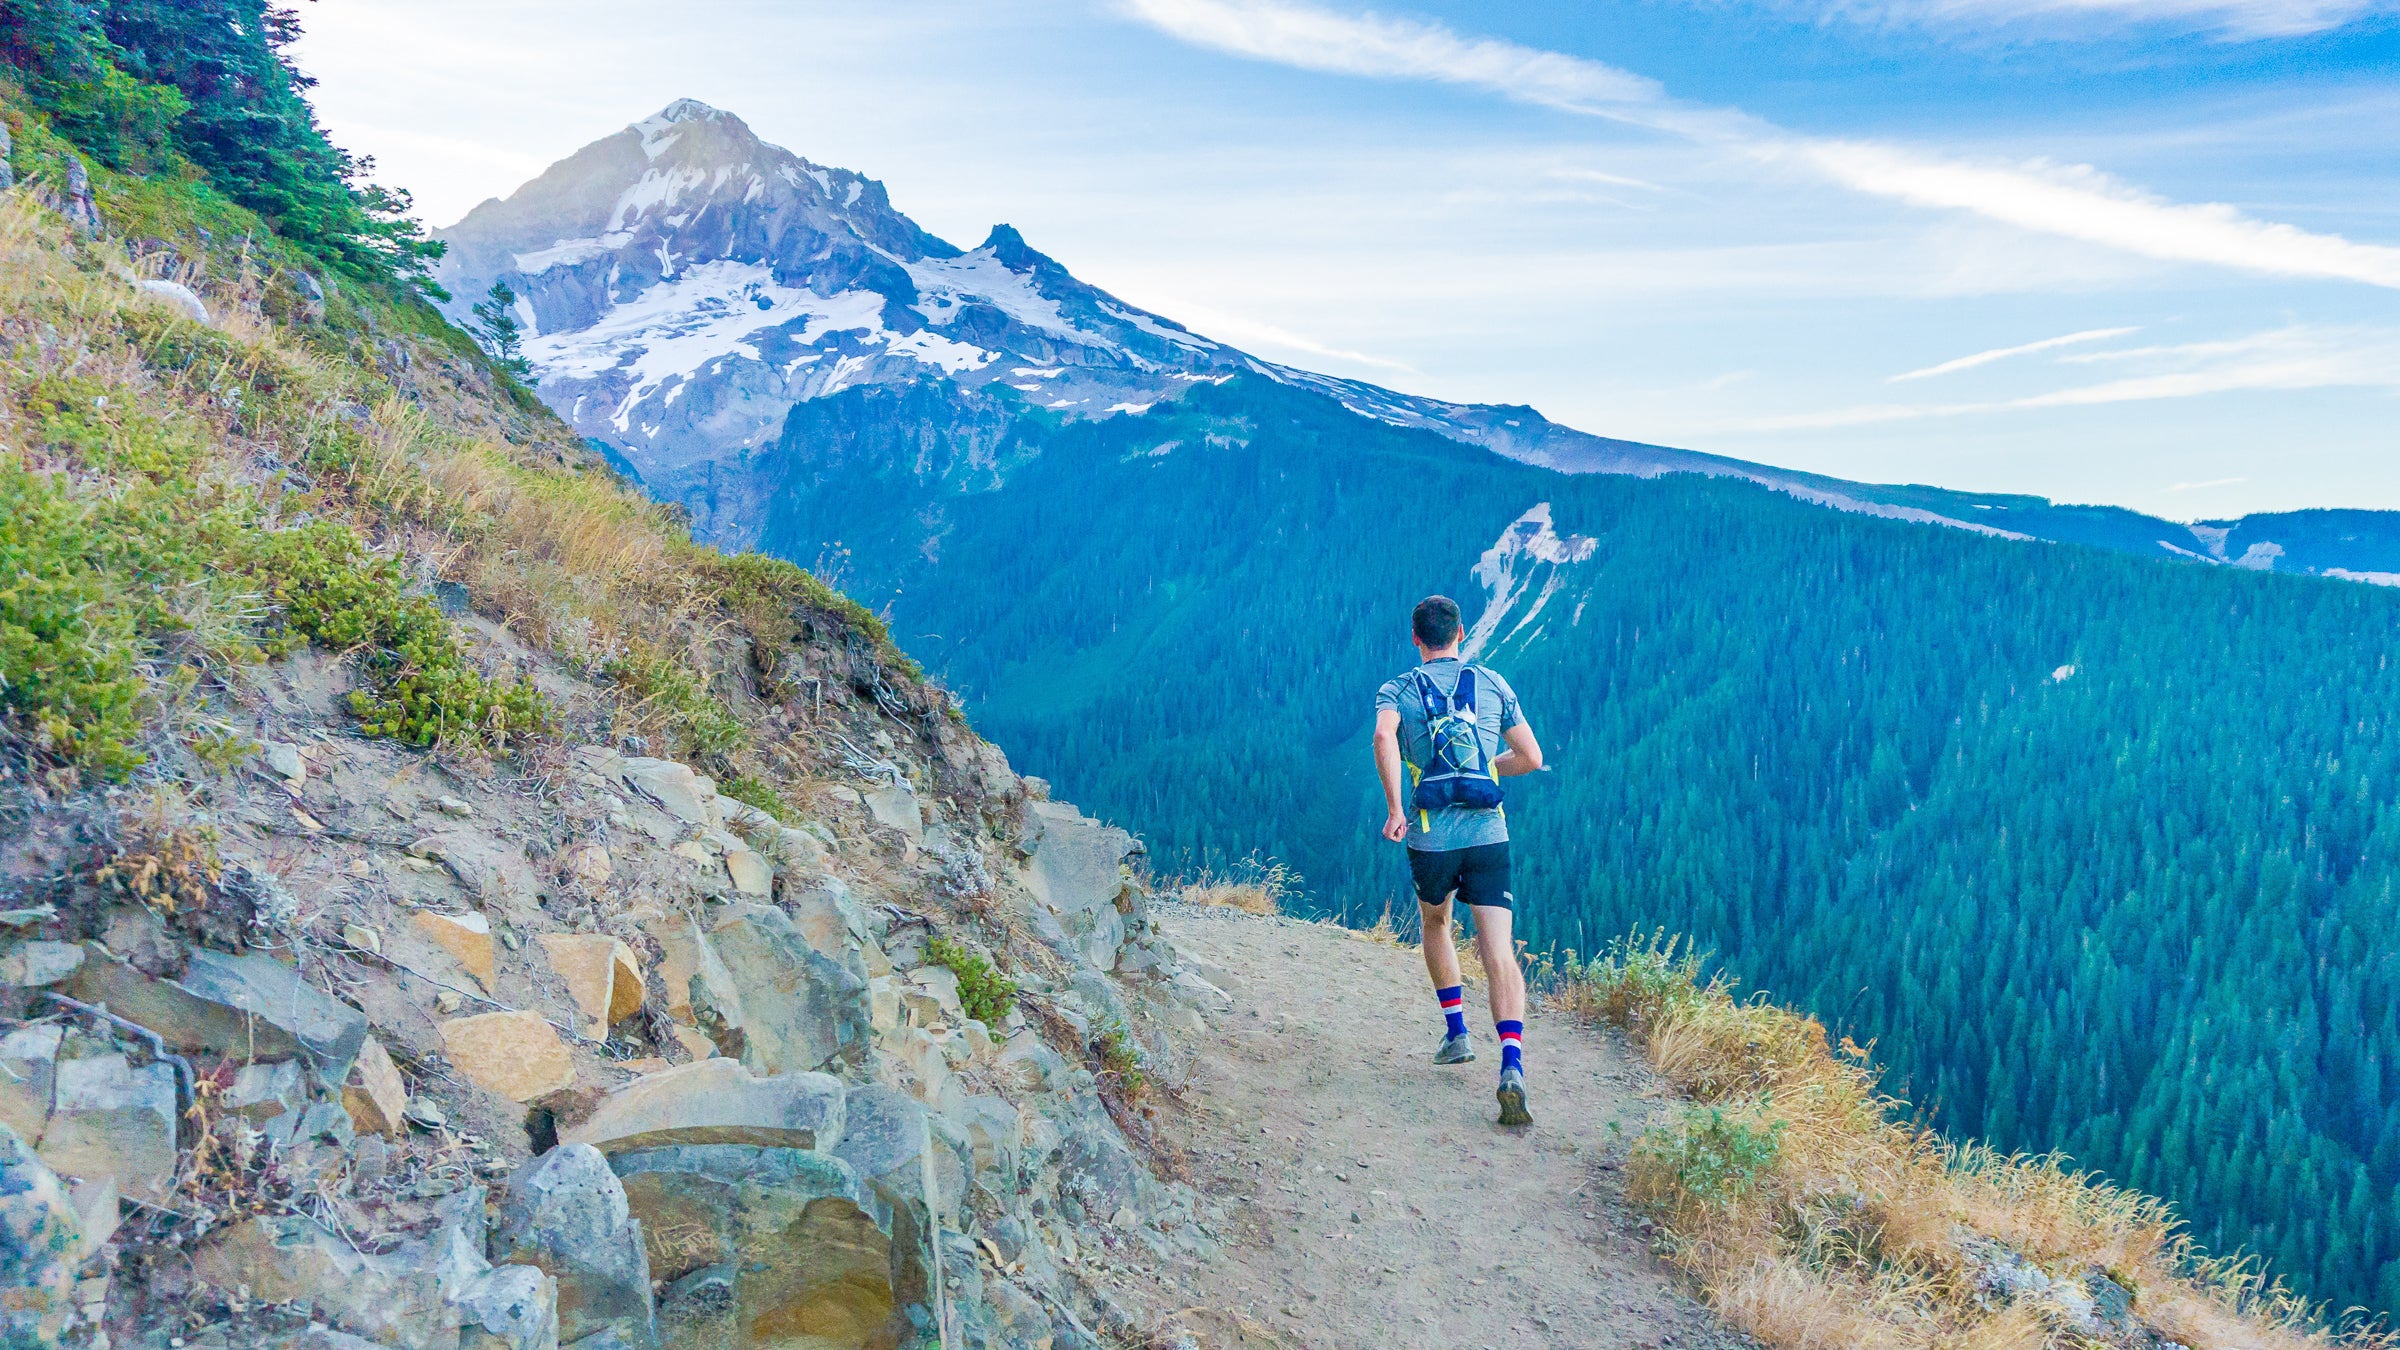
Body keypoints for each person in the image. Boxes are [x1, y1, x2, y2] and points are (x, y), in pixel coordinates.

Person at [1372, 595, 1545, 1127]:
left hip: (1431, 837)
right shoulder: (1493, 684)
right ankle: (1511, 1065)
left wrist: (1397, 808)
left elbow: (1383, 735)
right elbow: (1532, 758)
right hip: (1489, 834)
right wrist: (1487, 767)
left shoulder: (1397, 688)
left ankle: (1456, 1033)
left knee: (1436, 921)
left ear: (1416, 639)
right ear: (1462, 633)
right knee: (1498, 950)